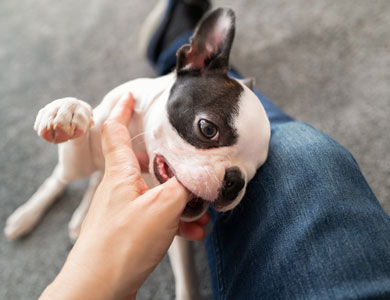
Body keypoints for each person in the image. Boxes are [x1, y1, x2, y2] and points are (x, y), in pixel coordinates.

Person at [40, 1, 390, 299]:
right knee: (304, 148)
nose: (231, 182)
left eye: (243, 178)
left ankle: (183, 47)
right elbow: (74, 169)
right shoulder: (126, 107)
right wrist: (74, 114)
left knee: (297, 148)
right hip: (189, 81)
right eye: (207, 132)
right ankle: (187, 52)